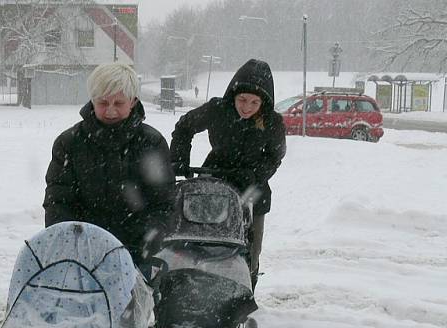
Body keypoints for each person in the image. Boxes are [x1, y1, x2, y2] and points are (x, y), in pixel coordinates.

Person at [44, 63, 175, 277]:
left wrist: (143, 245)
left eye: (119, 103)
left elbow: (163, 205)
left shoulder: (151, 144)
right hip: (81, 255)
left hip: (136, 256)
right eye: (103, 102)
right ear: (92, 100)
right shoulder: (69, 143)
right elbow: (58, 202)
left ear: (132, 102)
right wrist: (73, 242)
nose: (111, 110)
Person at [169, 59, 286, 289]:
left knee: (250, 246)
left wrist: (256, 174)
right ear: (233, 94)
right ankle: (197, 277)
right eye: (242, 100)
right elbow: (184, 127)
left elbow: (275, 156)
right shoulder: (217, 109)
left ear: (263, 103)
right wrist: (179, 159)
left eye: (254, 102)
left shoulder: (272, 122)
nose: (247, 107)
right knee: (202, 235)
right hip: (214, 179)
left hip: (253, 188)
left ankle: (246, 284)